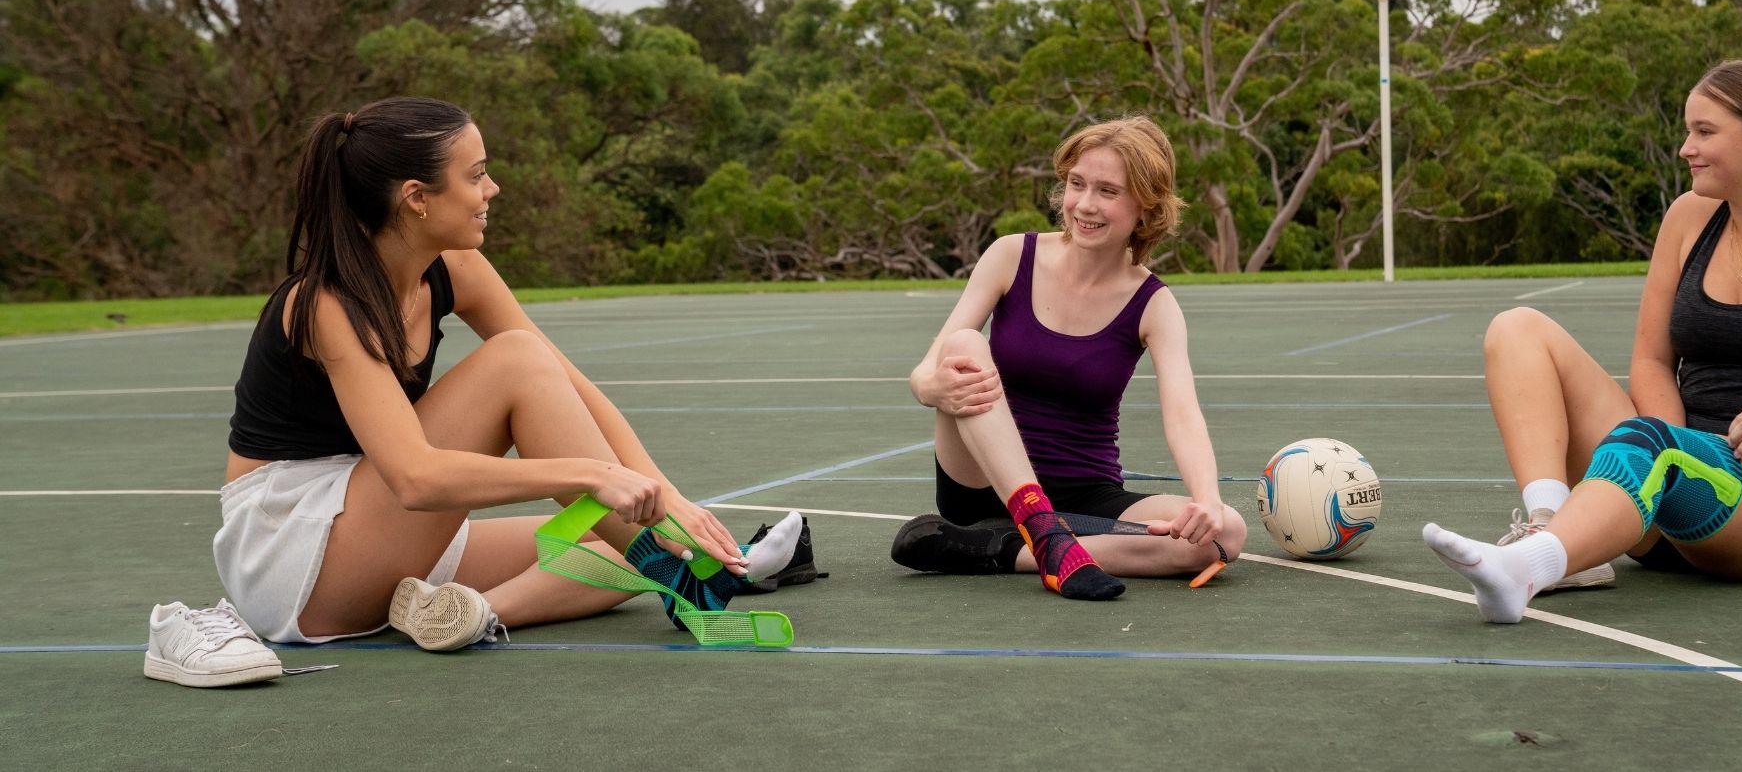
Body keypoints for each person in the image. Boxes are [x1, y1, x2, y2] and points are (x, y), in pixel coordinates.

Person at [195, 96, 800, 669]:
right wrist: (591, 475)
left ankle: (467, 615)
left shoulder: (454, 269)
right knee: (516, 361)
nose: (492, 189)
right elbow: (415, 478)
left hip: (365, 525)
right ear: (416, 198)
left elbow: (572, 387)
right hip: (292, 550)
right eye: (476, 175)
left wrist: (666, 497)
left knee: (609, 549)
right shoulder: (327, 302)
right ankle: (700, 573)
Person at [1421, 57, 1742, 623]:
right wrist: (1668, 435)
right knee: (1517, 328)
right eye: (1688, 131)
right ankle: (1554, 530)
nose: (1685, 148)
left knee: (1658, 446)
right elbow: (1651, 360)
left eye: (1704, 132)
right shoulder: (1689, 219)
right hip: (1661, 476)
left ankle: (1527, 568)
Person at [888, 117, 1246, 601]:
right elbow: (927, 369)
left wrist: (1206, 499)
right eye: (1076, 184)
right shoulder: (1010, 256)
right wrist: (930, 389)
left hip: (1084, 492)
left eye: (1108, 191)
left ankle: (998, 550)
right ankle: (1044, 534)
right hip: (978, 482)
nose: (1085, 204)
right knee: (963, 346)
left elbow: (1182, 412)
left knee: (1225, 532)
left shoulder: (1155, 304)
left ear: (1145, 206)